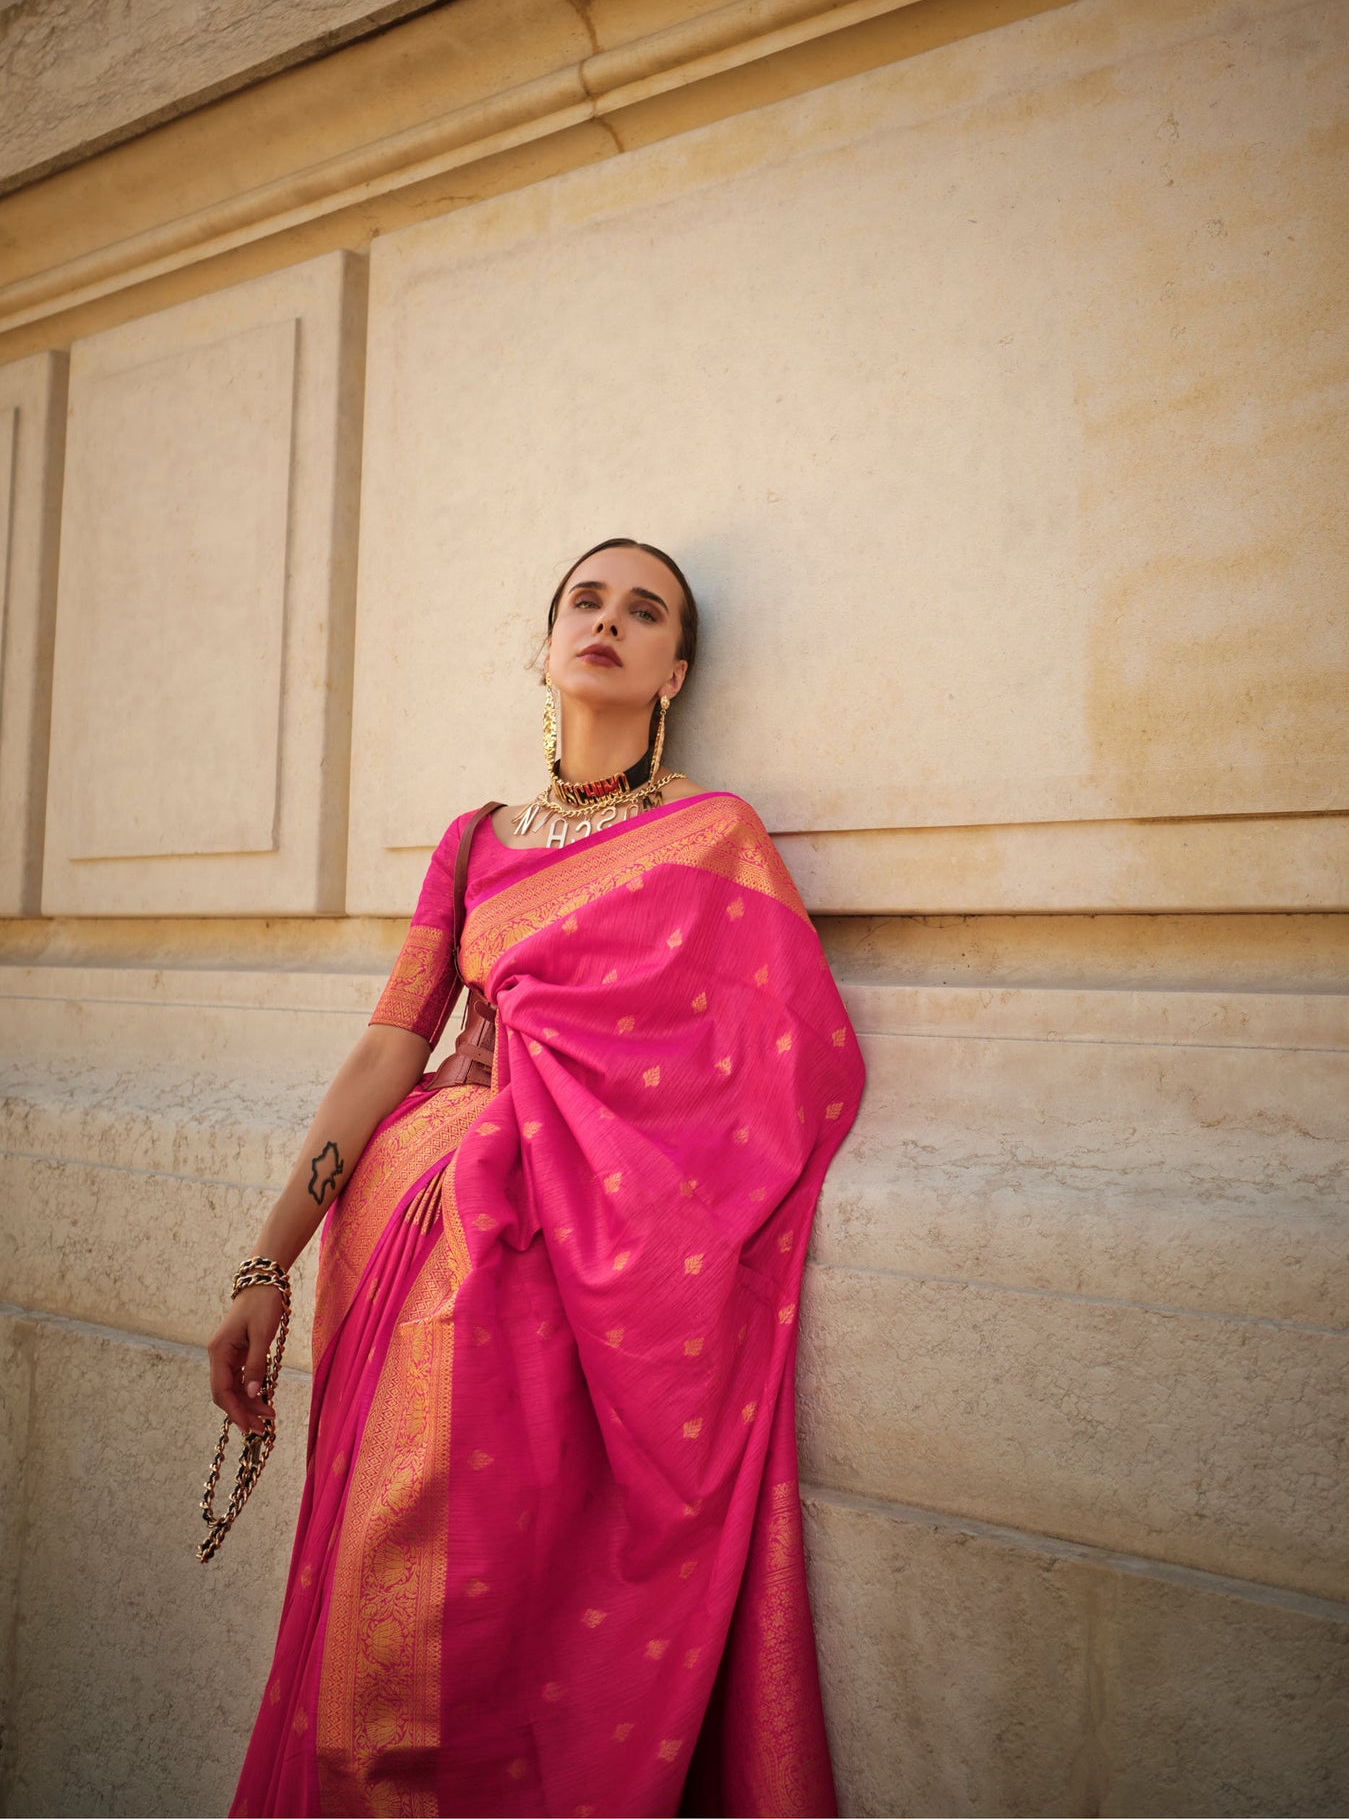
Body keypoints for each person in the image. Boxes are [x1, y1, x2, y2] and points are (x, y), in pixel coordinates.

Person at [209, 538, 866, 1818]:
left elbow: (785, 1074)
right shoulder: (471, 845)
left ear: (675, 668)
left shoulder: (710, 840)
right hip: (410, 1280)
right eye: (586, 599)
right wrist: (263, 1264)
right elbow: (386, 1049)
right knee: (379, 1633)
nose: (608, 621)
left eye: (646, 611)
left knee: (508, 1622)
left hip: (584, 1287)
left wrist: (547, 1113)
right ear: (544, 642)